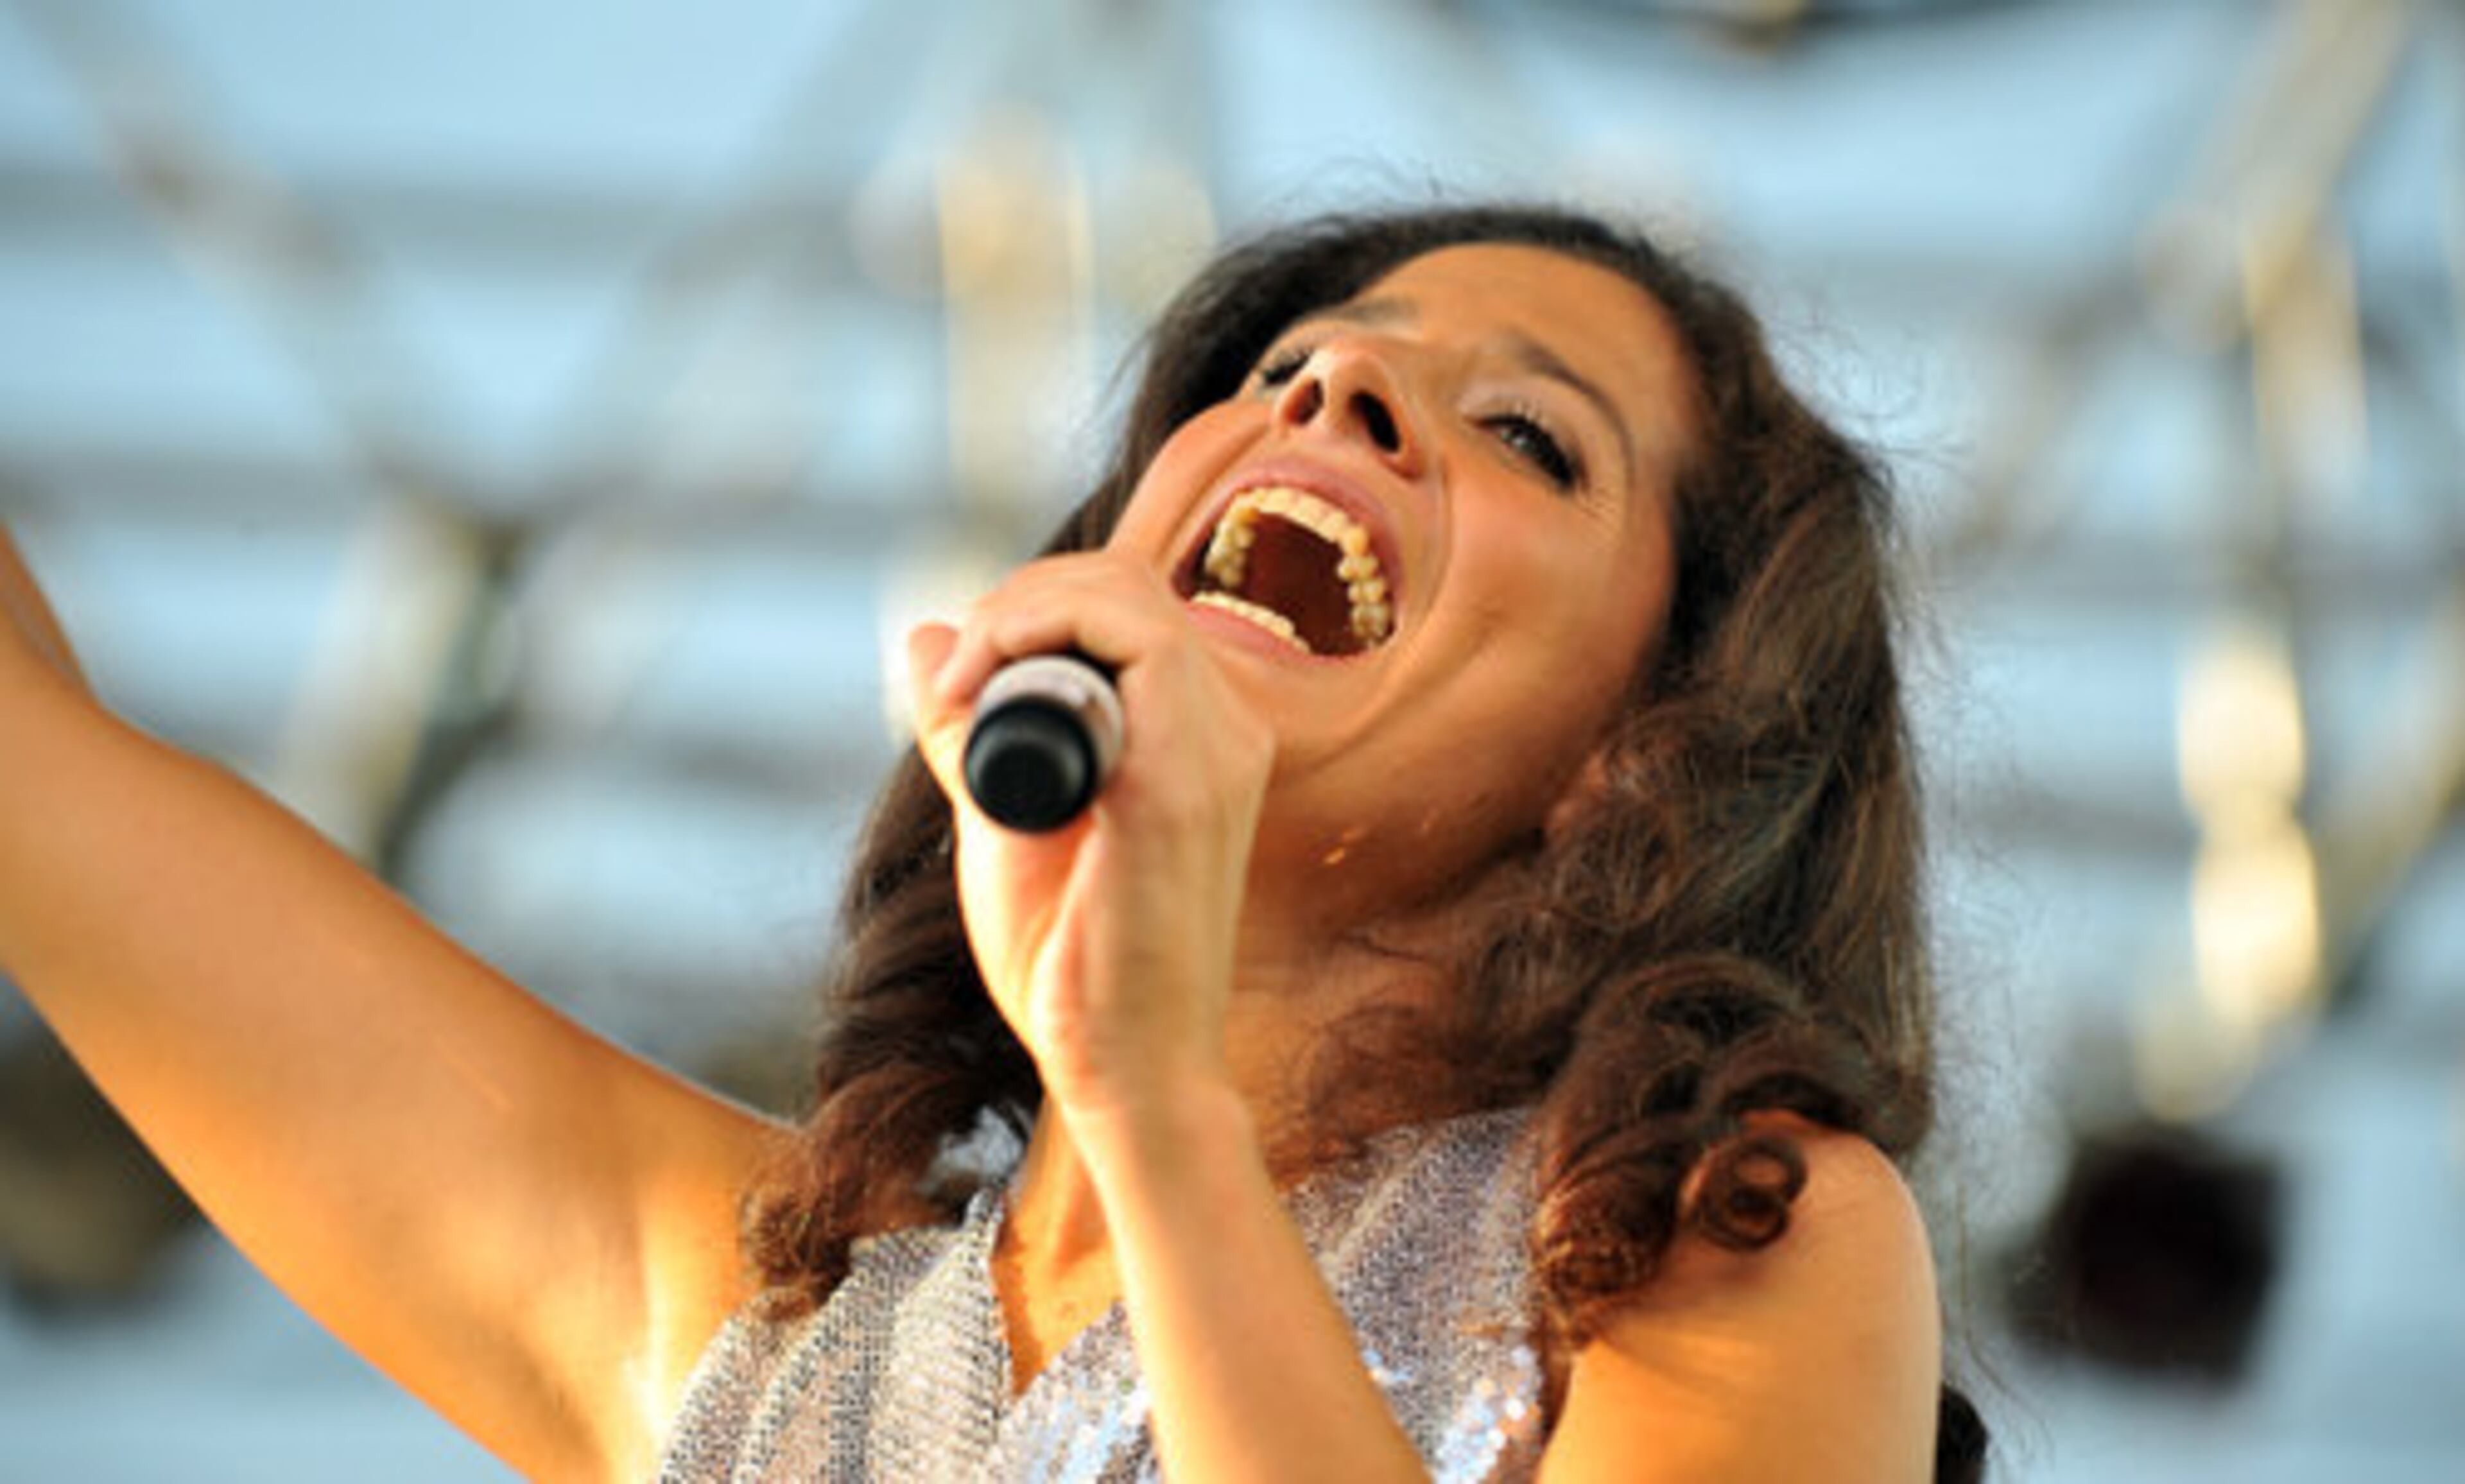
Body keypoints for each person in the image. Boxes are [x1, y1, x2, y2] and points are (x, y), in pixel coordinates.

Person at [0, 202, 1985, 1481]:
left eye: (1532, 437)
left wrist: (1156, 1102)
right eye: (1277, 371)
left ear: (1648, 757)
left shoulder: (1726, 1240)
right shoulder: (760, 1362)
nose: (1334, 386)